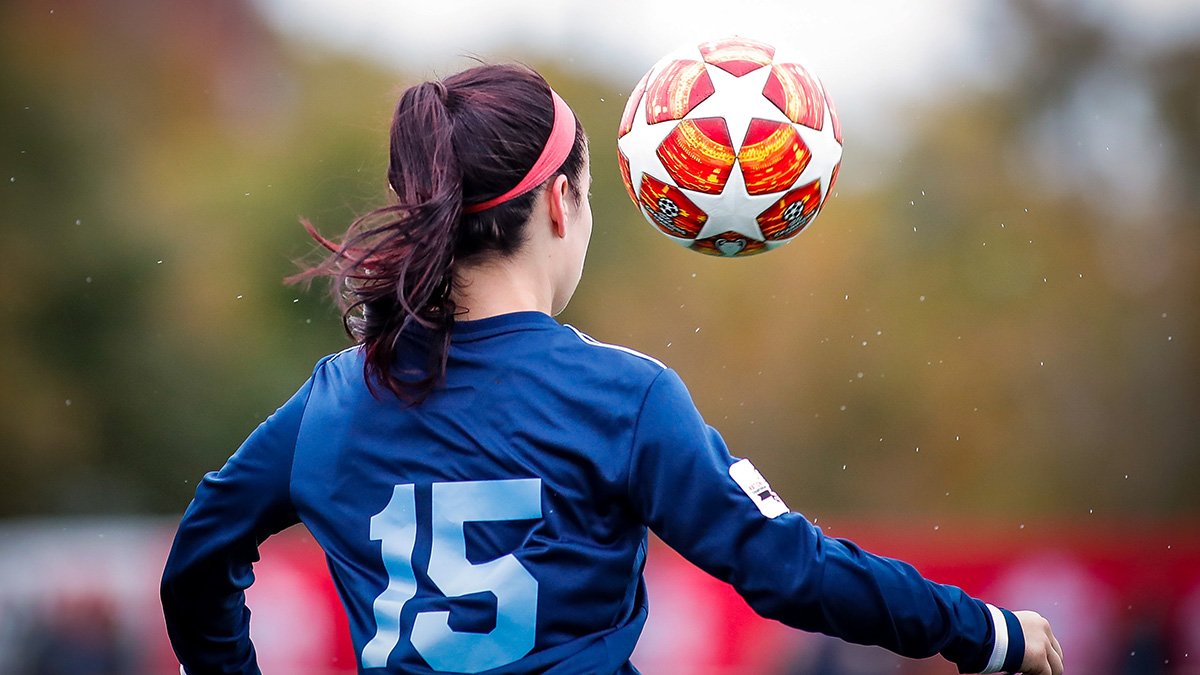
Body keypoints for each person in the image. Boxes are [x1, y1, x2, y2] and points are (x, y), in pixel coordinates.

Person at [160, 63, 1064, 675]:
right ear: (562, 202)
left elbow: (197, 561)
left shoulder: (333, 398)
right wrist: (983, 632)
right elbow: (788, 568)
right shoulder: (621, 398)